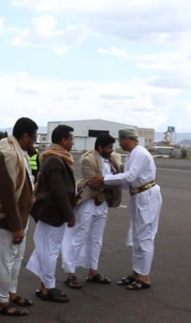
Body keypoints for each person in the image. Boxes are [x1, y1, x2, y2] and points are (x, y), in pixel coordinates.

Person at [0, 117, 37, 317]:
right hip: (5, 220)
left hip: (19, 218)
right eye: (33, 138)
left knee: (15, 258)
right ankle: (1, 302)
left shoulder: (19, 153)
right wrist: (16, 226)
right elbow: (7, 194)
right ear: (25, 136)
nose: (34, 143)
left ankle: (10, 293)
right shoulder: (8, 154)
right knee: (4, 261)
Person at [89, 128, 162, 291]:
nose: (119, 143)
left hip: (147, 196)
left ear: (127, 139)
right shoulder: (131, 155)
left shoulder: (140, 154)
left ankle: (145, 276)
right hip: (138, 195)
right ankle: (136, 272)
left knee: (145, 237)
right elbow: (126, 179)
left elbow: (129, 177)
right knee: (137, 236)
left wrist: (104, 179)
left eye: (120, 140)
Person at [61, 133, 122, 289]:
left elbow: (117, 180)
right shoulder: (87, 160)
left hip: (102, 202)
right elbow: (95, 183)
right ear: (100, 147)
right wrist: (114, 182)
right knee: (79, 236)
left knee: (96, 239)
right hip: (88, 202)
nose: (112, 150)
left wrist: (110, 181)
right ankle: (70, 273)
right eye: (109, 147)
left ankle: (92, 272)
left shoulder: (113, 159)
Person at [26, 125, 76, 303]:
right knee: (50, 250)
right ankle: (49, 287)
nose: (72, 142)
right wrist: (69, 215)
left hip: (49, 212)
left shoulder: (53, 158)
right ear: (63, 140)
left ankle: (43, 286)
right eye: (71, 139)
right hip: (53, 213)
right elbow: (58, 191)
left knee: (44, 248)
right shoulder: (55, 160)